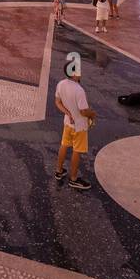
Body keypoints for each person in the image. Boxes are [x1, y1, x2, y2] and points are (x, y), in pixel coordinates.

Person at [53, 62, 95, 191]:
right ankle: (74, 179)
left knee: (64, 145)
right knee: (77, 150)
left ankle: (59, 171)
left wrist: (68, 113)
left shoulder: (61, 84)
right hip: (80, 125)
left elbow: (58, 102)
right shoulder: (79, 90)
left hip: (68, 122)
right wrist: (93, 114)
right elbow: (83, 111)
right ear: (75, 73)